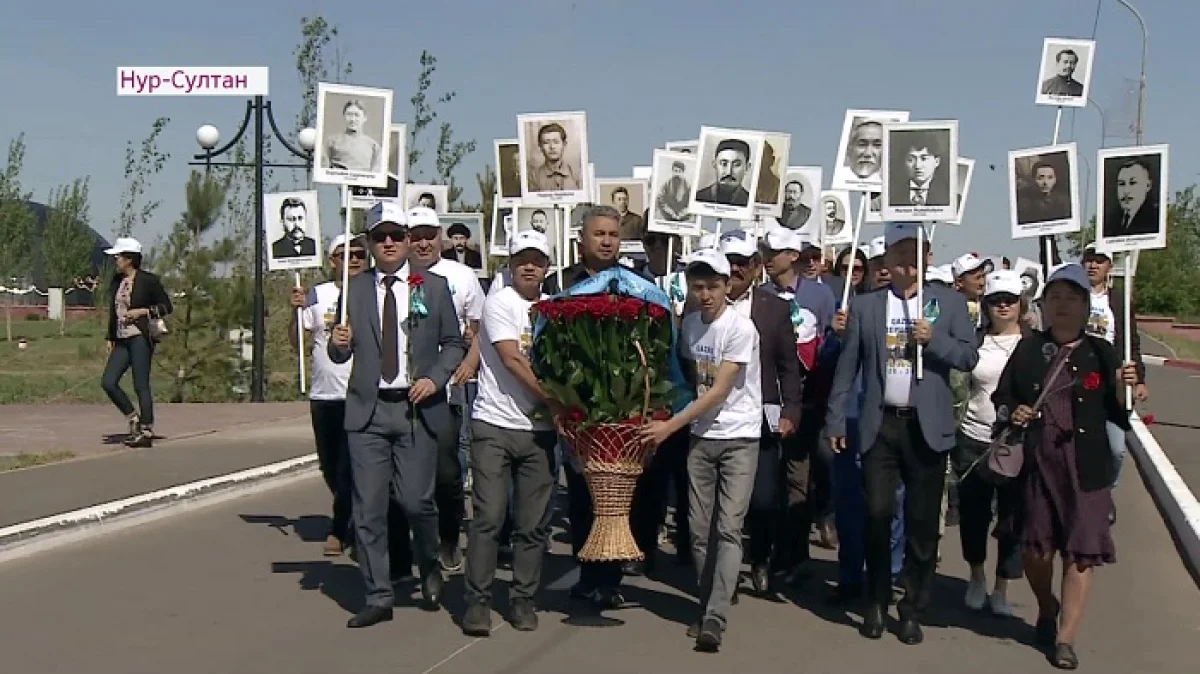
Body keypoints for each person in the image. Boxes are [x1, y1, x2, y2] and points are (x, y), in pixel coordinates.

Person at [826, 222, 979, 645]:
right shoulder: (868, 307)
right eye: (898, 255)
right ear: (887, 261)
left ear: (927, 259)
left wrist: (935, 342)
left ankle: (911, 607)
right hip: (881, 424)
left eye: (915, 255)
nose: (906, 264)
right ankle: (875, 601)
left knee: (922, 523)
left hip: (926, 428)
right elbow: (848, 366)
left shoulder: (948, 304)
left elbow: (968, 356)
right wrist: (836, 418)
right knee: (877, 513)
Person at [328, 201, 467, 628]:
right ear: (369, 244)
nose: (388, 243)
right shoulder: (353, 288)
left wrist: (437, 378)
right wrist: (339, 341)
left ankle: (429, 565)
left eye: (395, 235)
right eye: (379, 237)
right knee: (368, 508)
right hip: (368, 413)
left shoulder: (433, 287)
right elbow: (339, 353)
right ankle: (378, 595)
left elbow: (454, 344)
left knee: (416, 501)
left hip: (415, 409)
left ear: (409, 241)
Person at [991, 263, 1136, 670]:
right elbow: (1003, 397)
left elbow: (1121, 413)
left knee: (1081, 554)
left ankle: (1066, 638)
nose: (1064, 306)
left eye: (1072, 298)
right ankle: (1046, 606)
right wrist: (1012, 412)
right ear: (1043, 305)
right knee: (1037, 552)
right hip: (1039, 465)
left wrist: (1126, 387)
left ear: (1087, 306)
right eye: (1055, 297)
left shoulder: (1102, 352)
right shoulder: (1029, 348)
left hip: (1086, 469)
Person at [638, 247, 762, 653]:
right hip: (700, 439)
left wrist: (669, 427)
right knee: (697, 530)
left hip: (739, 437)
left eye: (713, 286)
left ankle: (715, 615)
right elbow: (687, 376)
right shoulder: (690, 326)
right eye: (698, 286)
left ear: (729, 286)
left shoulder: (741, 328)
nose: (705, 294)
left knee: (728, 527)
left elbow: (721, 388)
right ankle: (708, 599)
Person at [460, 230, 559, 637]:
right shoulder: (499, 303)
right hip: (495, 425)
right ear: (511, 264)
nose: (529, 266)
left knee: (533, 523)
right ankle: (478, 601)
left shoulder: (555, 309)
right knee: (490, 516)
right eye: (522, 260)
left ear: (547, 267)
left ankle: (522, 598)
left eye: (537, 260)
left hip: (538, 431)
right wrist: (558, 401)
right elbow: (513, 360)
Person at [393, 206, 486, 575]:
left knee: (447, 474)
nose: (423, 242)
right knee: (399, 480)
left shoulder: (460, 276)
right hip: (398, 396)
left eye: (429, 235)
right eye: (414, 235)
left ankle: (449, 538)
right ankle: (403, 552)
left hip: (445, 393)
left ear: (441, 238)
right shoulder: (394, 276)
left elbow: (478, 328)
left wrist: (467, 363)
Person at [724, 228, 804, 595]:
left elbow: (789, 366)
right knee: (721, 504)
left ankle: (759, 557)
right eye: (729, 263)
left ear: (756, 267)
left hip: (762, 416)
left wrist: (791, 410)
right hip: (717, 418)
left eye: (742, 263)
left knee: (764, 498)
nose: (735, 270)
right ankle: (723, 572)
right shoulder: (703, 305)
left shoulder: (774, 308)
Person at [288, 234, 372, 557]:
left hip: (359, 393)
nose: (353, 260)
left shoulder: (372, 293)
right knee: (328, 464)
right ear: (332, 260)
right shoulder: (318, 295)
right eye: (345, 254)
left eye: (359, 254)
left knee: (348, 466)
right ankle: (352, 513)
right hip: (324, 394)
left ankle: (341, 527)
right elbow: (297, 343)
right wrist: (295, 311)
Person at [952, 270, 1028, 617]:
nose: (1003, 306)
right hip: (973, 437)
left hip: (1015, 443)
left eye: (1009, 300)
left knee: (1013, 518)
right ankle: (977, 577)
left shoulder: (1033, 344)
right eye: (996, 300)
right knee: (973, 514)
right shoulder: (975, 341)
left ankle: (1002, 587)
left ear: (1021, 304)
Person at [100, 237, 172, 449]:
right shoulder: (117, 281)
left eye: (119, 257)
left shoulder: (148, 280)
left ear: (130, 259)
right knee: (108, 382)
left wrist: (143, 311)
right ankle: (133, 418)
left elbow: (167, 306)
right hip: (122, 338)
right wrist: (110, 337)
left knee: (140, 383)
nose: (116, 261)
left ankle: (147, 429)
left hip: (140, 336)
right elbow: (114, 313)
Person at [1103, 159, 1160, 237]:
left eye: (1133, 183)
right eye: (1121, 184)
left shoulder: (1156, 219)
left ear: (1148, 185)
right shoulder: (1111, 221)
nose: (1126, 191)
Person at [891, 132, 948, 207]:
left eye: (924, 159)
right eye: (911, 159)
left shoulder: (950, 197)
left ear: (937, 161)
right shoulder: (891, 197)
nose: (918, 166)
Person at [322, 99, 380, 172]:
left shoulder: (373, 146)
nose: (352, 119)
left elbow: (376, 173)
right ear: (344, 116)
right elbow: (324, 169)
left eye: (357, 115)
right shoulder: (331, 142)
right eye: (349, 115)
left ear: (364, 118)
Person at [695, 138, 752, 206]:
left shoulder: (751, 202)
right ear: (714, 165)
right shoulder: (698, 197)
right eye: (724, 164)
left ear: (747, 168)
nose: (729, 172)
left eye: (736, 165)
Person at [527, 122, 581, 192]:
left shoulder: (577, 174)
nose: (552, 147)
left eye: (556, 142)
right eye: (546, 142)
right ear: (540, 147)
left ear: (564, 144)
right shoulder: (534, 177)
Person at [952, 253, 990, 327]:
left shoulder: (989, 308)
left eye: (983, 276)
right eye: (977, 278)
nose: (982, 283)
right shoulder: (949, 309)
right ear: (960, 282)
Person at [755, 140, 781, 205]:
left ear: (772, 160)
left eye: (763, 156)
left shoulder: (778, 186)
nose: (759, 161)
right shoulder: (746, 183)